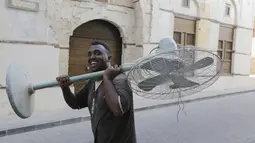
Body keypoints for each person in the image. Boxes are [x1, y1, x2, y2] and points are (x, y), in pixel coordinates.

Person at [56, 41, 137, 143]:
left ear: (109, 58)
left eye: (97, 53)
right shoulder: (92, 81)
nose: (92, 57)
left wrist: (107, 77)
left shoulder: (120, 79)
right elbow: (75, 103)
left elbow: (118, 109)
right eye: (89, 54)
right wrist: (65, 88)